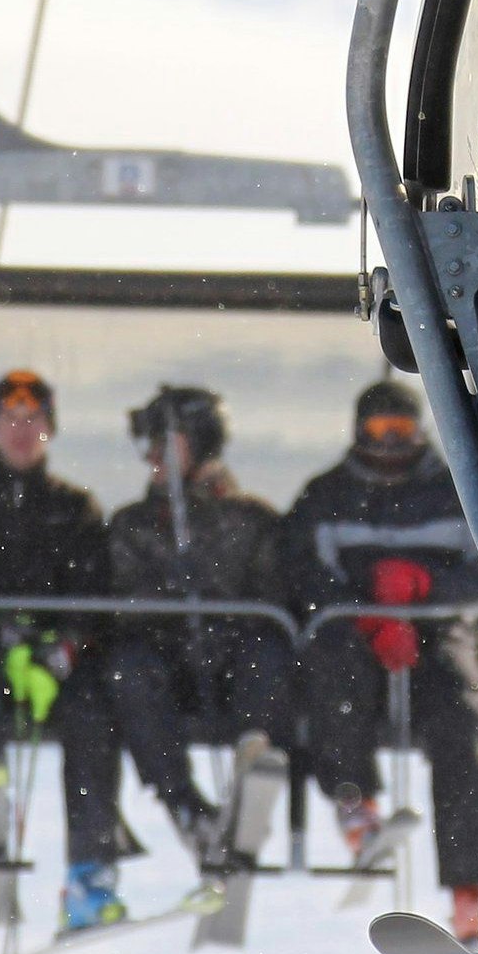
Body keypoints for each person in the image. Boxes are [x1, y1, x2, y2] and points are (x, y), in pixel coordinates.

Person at [288, 381, 478, 938]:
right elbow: (302, 577)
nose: (388, 445)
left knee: (456, 720)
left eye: (400, 432)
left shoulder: (455, 490)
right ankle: (355, 804)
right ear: (358, 432)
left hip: (438, 632)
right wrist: (369, 611)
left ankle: (469, 883)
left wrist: (423, 589)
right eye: (378, 432)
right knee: (334, 673)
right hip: (357, 634)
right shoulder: (327, 497)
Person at [0, 370, 126, 928]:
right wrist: (0, 635)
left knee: (91, 712)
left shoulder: (75, 509)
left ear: (50, 429)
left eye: (33, 420)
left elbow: (93, 596)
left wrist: (61, 647)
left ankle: (91, 867)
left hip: (55, 666)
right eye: (11, 420)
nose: (21, 431)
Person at [92, 385, 295, 921]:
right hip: (169, 671)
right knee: (128, 668)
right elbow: (120, 606)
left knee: (267, 646)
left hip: (234, 671)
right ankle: (187, 808)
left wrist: (223, 613)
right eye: (149, 446)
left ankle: (255, 764)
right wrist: (167, 601)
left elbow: (277, 597)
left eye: (166, 443)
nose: (154, 458)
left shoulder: (249, 520)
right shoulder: (134, 525)